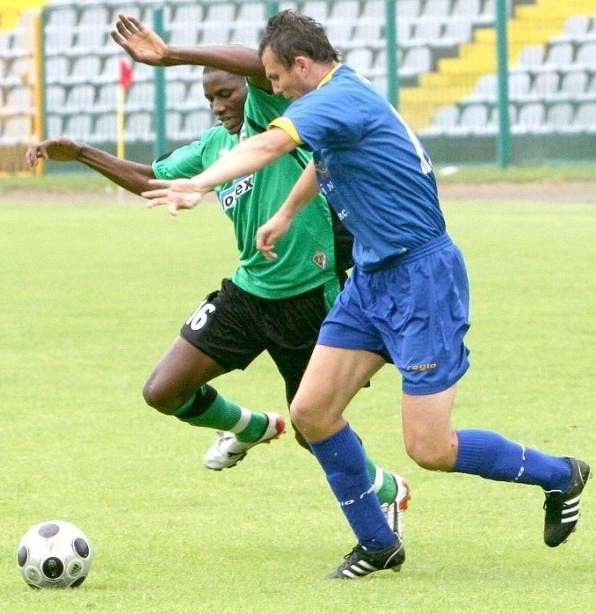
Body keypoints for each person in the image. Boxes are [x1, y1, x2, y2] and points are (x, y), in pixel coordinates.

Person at [140, 10, 591, 580]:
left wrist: (196, 184)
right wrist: (284, 213)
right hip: (373, 280)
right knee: (311, 412)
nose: (271, 88)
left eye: (275, 78)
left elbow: (267, 150)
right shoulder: (332, 102)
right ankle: (378, 543)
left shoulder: (335, 99)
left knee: (430, 448)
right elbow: (322, 162)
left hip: (422, 279)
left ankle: (560, 474)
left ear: (302, 65)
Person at [27, 23, 411, 535]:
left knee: (312, 427)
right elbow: (154, 180)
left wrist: (171, 55)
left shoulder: (273, 113)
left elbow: (258, 64)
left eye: (225, 93)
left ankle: (387, 490)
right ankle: (250, 427)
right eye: (209, 97)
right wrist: (83, 154)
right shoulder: (214, 146)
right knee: (163, 391)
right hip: (248, 294)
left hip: (311, 298)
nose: (218, 105)